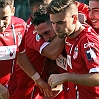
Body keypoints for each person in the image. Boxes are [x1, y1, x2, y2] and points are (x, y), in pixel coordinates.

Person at [8, 0, 65, 99]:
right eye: (49, 8)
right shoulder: (33, 28)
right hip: (23, 87)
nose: (54, 10)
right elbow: (51, 52)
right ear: (36, 10)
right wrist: (67, 29)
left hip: (46, 85)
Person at [0, 0, 54, 99]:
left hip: (10, 90)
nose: (0, 24)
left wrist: (38, 80)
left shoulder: (20, 26)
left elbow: (20, 54)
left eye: (4, 18)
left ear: (12, 11)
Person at [46, 0, 99, 99]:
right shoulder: (68, 35)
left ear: (75, 18)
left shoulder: (87, 41)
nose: (55, 28)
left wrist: (65, 76)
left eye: (60, 22)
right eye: (52, 23)